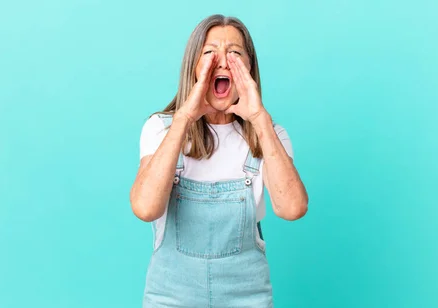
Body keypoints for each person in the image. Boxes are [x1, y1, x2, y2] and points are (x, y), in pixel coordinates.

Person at [129, 14, 309, 308]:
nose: (223, 62)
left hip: (247, 298)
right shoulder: (161, 129)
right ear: (193, 67)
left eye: (235, 54)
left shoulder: (270, 135)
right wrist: (185, 117)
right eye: (210, 53)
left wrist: (259, 118)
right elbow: (146, 208)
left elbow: (292, 209)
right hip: (170, 298)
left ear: (250, 69)